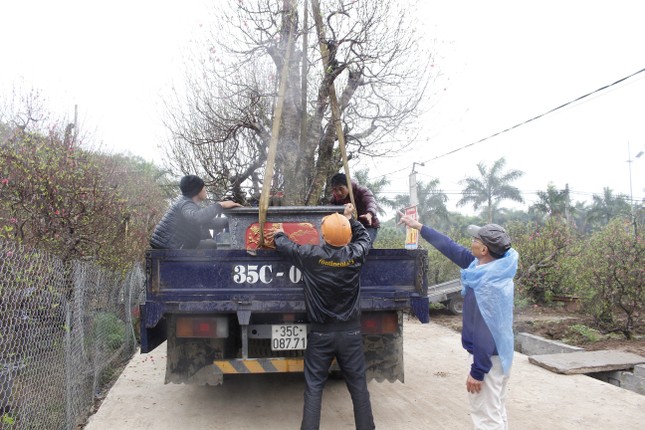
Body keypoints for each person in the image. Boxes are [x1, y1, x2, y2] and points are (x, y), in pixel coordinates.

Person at [398, 214, 518, 430]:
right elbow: (450, 247)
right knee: (496, 411)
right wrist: (419, 226)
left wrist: (478, 371)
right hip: (499, 354)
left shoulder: (487, 287)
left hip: (489, 359)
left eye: (475, 240)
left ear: (484, 250)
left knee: (486, 418)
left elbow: (485, 332)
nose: (470, 243)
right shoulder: (489, 268)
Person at [268, 203, 375, 430]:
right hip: (351, 333)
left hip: (321, 334)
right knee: (358, 387)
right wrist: (352, 220)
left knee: (314, 387)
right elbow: (365, 238)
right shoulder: (355, 255)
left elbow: (287, 247)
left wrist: (278, 234)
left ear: (323, 235)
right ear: (347, 237)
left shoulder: (311, 255)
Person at [149, 175, 241, 249]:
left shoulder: (188, 204)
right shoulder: (185, 204)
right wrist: (220, 205)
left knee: (210, 244)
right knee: (210, 245)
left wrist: (234, 221)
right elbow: (196, 218)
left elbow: (210, 222)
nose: (205, 190)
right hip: (170, 247)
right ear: (197, 191)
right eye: (203, 188)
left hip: (173, 245)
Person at [329, 173, 380, 245]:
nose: (339, 193)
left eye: (341, 189)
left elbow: (371, 202)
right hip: (349, 227)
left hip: (367, 226)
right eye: (335, 190)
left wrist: (369, 214)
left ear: (348, 186)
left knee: (364, 245)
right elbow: (330, 211)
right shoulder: (335, 198)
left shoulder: (362, 191)